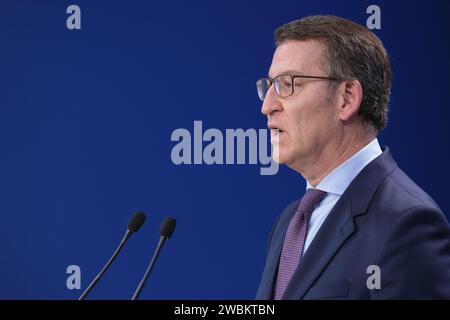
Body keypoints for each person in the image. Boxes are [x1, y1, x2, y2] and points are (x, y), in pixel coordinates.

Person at [255, 15, 450, 299]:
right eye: (269, 85)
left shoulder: (407, 223)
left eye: (288, 84)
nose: (267, 106)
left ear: (346, 98)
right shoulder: (289, 221)